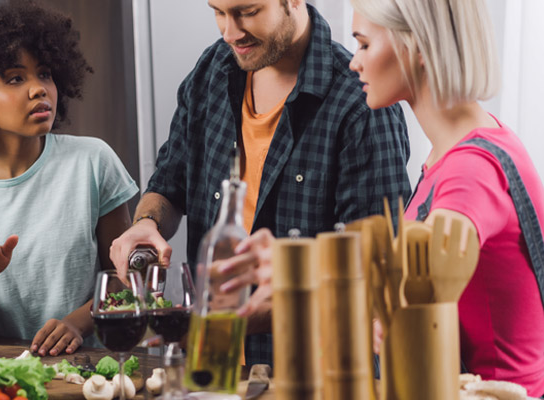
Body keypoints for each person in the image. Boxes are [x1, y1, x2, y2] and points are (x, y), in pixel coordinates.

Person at [110, 0, 412, 366]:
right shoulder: (211, 70)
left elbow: (374, 272)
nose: (230, 32)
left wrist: (231, 323)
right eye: (218, 12)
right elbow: (169, 184)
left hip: (312, 374)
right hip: (212, 368)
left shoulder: (360, 102)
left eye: (247, 12)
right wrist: (147, 224)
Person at [0, 1, 138, 356]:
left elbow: (127, 280)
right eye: (16, 78)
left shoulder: (93, 161)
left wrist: (77, 323)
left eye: (45, 73)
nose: (39, 89)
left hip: (91, 366)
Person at [350, 0, 544, 394]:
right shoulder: (467, 144)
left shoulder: (469, 170)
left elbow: (427, 277)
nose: (354, 62)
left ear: (418, 46)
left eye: (365, 45)